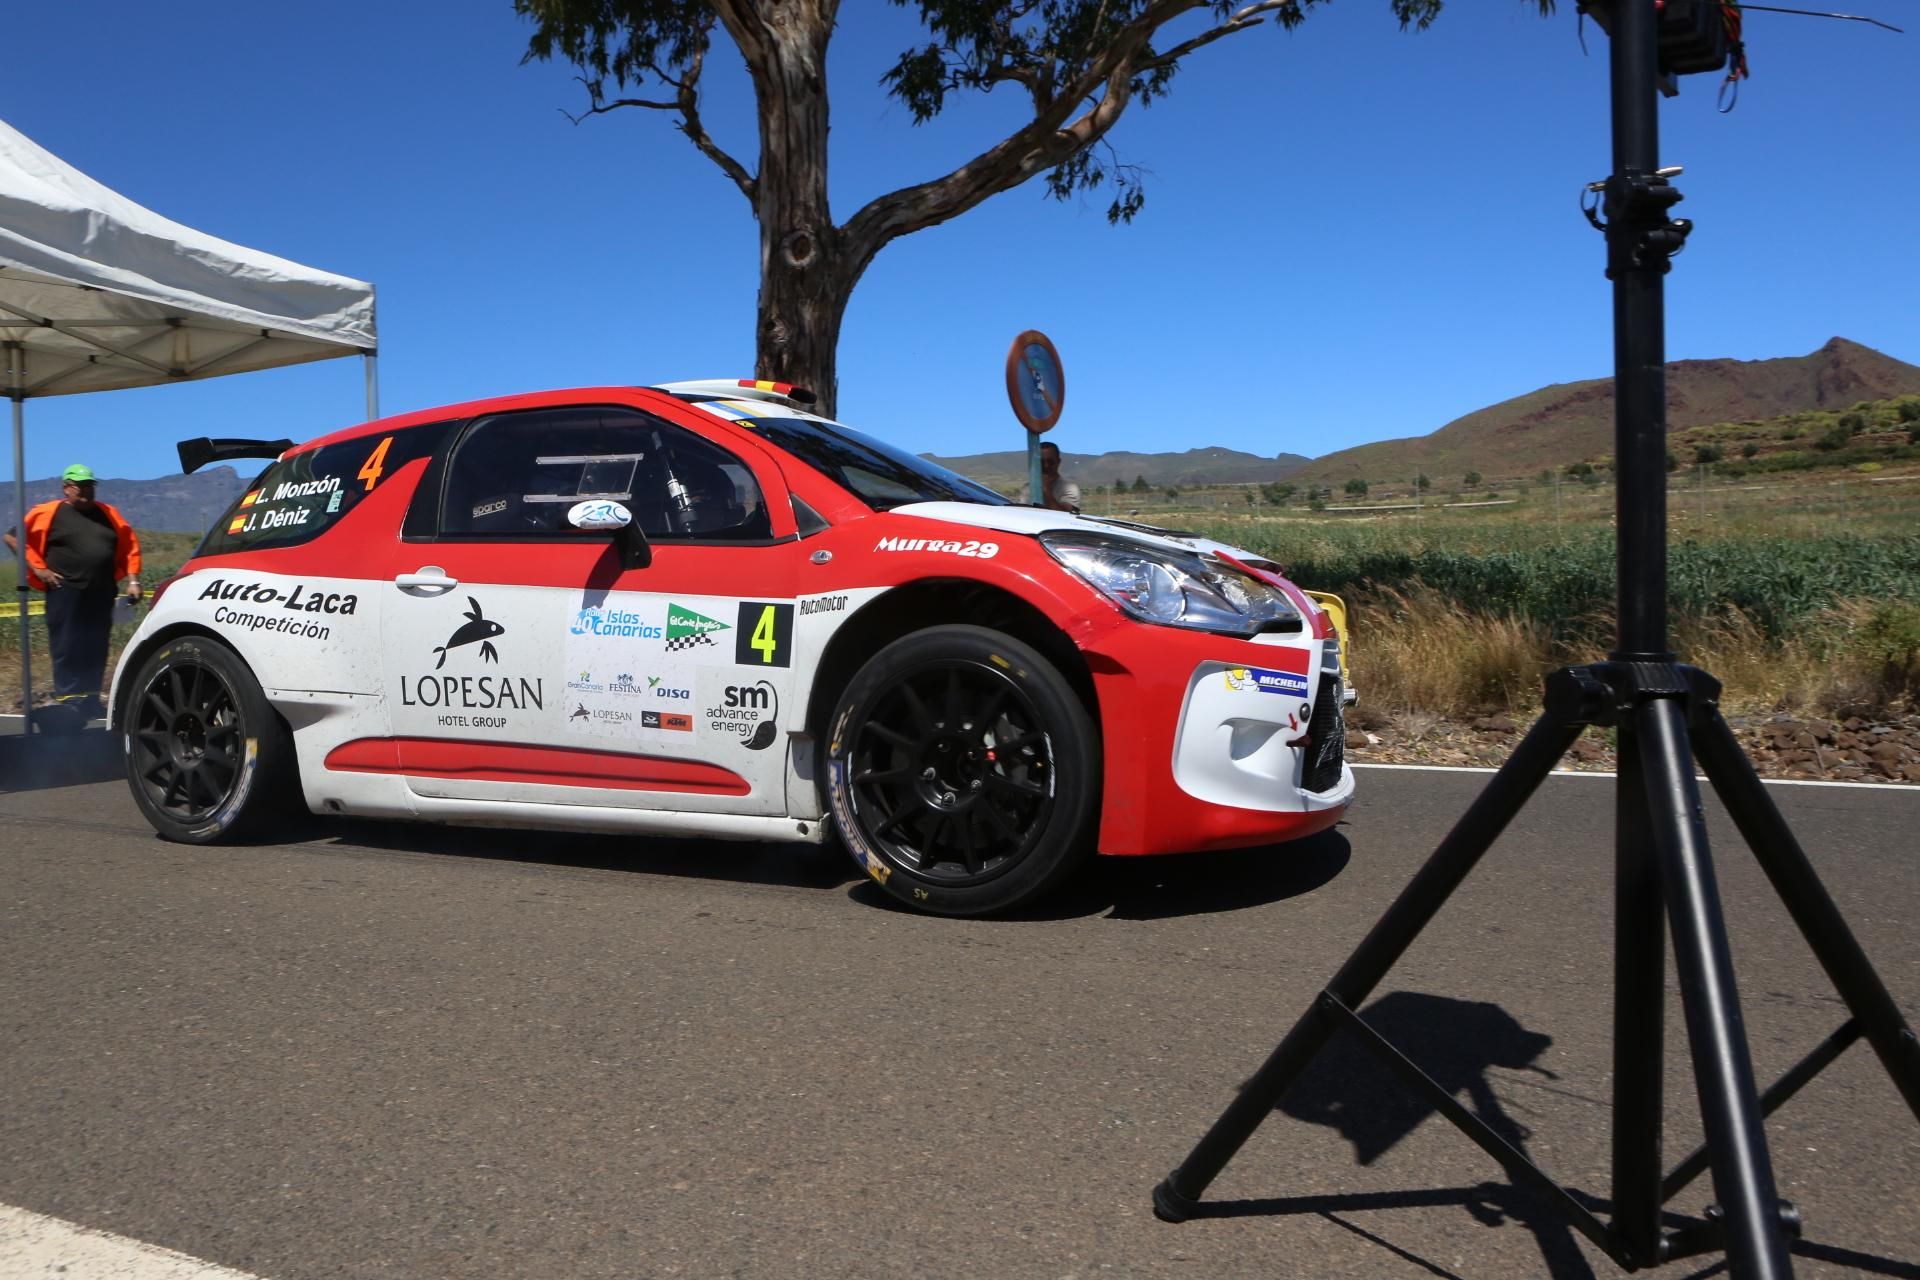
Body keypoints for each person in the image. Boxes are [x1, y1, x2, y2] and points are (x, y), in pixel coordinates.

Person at [5, 464, 142, 715]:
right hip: (64, 590)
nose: (86, 491)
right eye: (81, 486)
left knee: (96, 644)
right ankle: (69, 701)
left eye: (90, 486)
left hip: (101, 590)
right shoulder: (48, 513)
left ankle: (90, 699)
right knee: (67, 645)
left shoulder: (109, 514)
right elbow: (13, 538)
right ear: (66, 487)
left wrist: (133, 579)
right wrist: (38, 569)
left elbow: (129, 545)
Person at [1034, 440, 1082, 513]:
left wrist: (1046, 490)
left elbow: (1065, 516)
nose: (1046, 466)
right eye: (1041, 462)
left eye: (1050, 462)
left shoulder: (1069, 488)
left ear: (1058, 461)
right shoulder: (1028, 488)